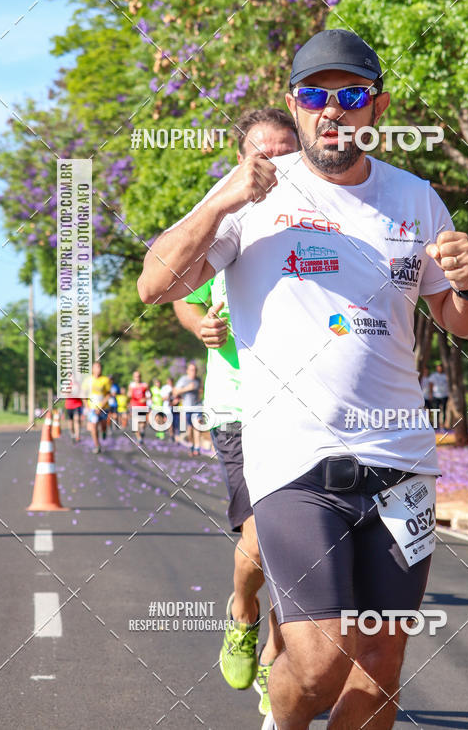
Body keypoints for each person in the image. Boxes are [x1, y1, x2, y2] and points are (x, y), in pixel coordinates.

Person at [138, 28, 468, 729]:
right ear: (293, 105)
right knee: (321, 660)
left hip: (402, 462)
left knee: (381, 669)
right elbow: (155, 283)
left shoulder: (417, 201)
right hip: (296, 460)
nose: (333, 110)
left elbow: (460, 321)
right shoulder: (253, 197)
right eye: (315, 95)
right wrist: (224, 197)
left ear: (376, 108)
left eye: (350, 95)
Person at [173, 108, 298, 718]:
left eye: (284, 150)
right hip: (238, 409)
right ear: (241, 157)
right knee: (260, 542)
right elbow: (178, 292)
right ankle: (243, 611)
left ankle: (282, 668)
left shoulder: (326, 208)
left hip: (309, 411)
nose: (273, 162)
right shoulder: (221, 212)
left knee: (299, 551)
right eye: (261, 153)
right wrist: (203, 324)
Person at [82, 362, 111, 455]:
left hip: (103, 407)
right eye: (96, 367)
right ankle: (97, 445)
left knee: (103, 425)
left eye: (99, 367)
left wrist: (101, 406)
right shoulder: (87, 381)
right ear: (92, 369)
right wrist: (86, 405)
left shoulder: (105, 380)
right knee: (93, 426)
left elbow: (108, 394)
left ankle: (104, 432)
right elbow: (83, 394)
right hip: (92, 408)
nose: (98, 369)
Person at [173, 363, 201, 454]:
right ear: (187, 371)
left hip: (197, 406)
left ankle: (197, 447)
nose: (194, 372)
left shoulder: (198, 380)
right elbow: (175, 392)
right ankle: (192, 445)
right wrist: (187, 388)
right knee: (190, 428)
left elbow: (200, 390)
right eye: (192, 370)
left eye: (195, 370)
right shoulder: (183, 380)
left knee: (197, 424)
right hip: (187, 407)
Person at [127, 370, 150, 445]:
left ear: (141, 377)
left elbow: (150, 395)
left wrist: (145, 399)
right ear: (133, 377)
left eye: (139, 376)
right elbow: (129, 395)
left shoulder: (145, 385)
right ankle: (139, 438)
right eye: (136, 376)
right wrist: (129, 396)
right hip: (134, 405)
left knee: (142, 423)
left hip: (142, 406)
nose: (137, 378)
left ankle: (142, 430)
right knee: (135, 423)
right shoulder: (131, 385)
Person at [428, 363, 449, 430]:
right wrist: (430, 394)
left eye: (441, 367)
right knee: (436, 411)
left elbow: (449, 385)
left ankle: (443, 426)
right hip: (436, 396)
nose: (440, 369)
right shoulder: (433, 375)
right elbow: (431, 385)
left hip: (444, 395)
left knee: (444, 411)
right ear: (437, 368)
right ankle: (436, 426)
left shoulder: (445, 375)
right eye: (438, 367)